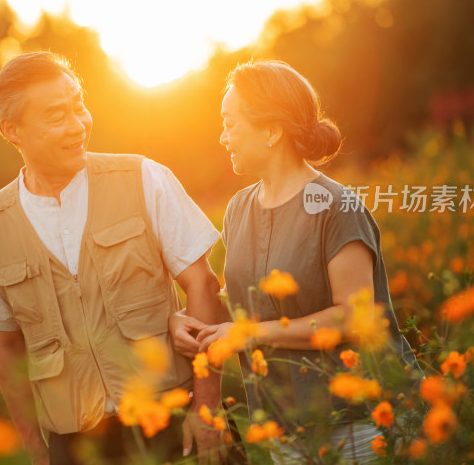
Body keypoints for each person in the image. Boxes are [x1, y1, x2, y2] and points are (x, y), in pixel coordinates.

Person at [0, 52, 229, 464]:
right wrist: (35, 448)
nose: (77, 124)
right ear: (12, 130)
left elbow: (202, 284)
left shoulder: (144, 178)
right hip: (77, 445)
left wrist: (207, 406)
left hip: (174, 420)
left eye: (78, 104)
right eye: (55, 116)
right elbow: (6, 347)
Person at [170, 60, 418, 463]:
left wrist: (250, 334)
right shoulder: (238, 209)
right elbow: (244, 297)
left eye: (230, 124)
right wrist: (184, 317)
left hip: (360, 423)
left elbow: (355, 317)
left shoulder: (337, 206)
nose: (222, 137)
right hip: (287, 426)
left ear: (271, 130)